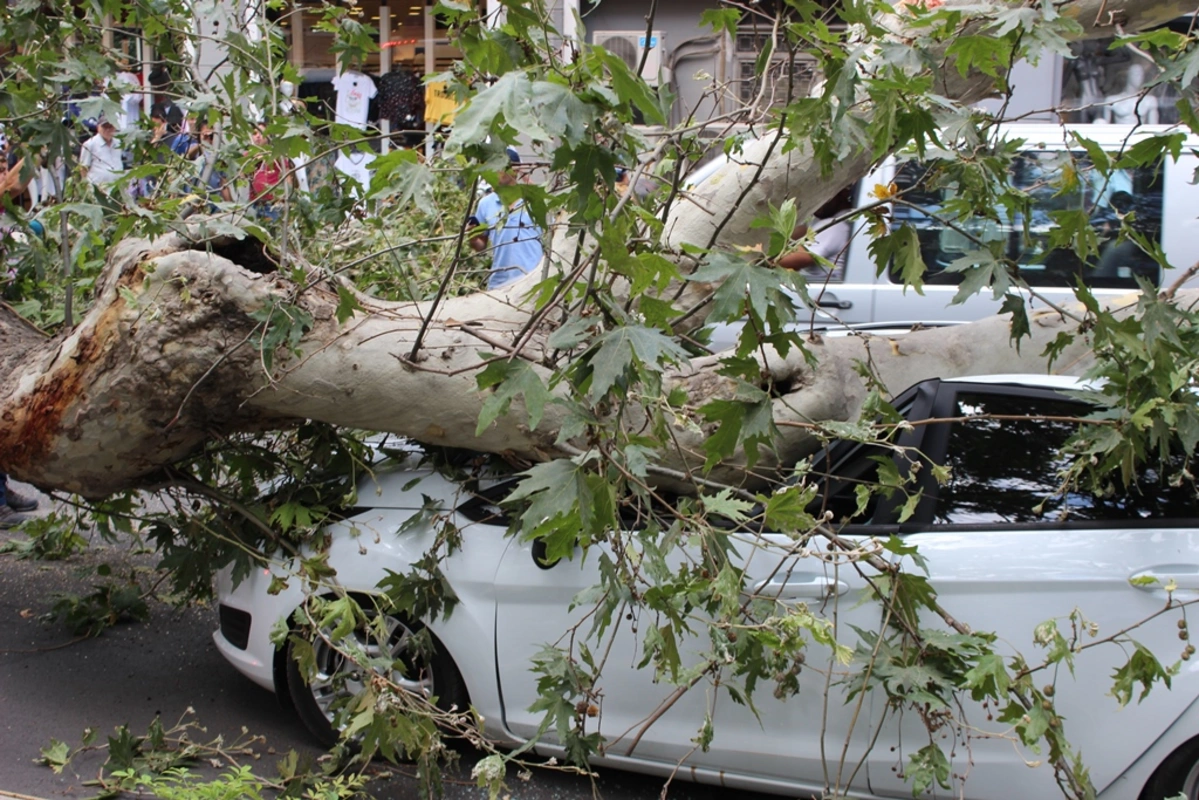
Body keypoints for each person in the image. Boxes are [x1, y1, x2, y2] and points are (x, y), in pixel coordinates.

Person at [468, 148, 544, 290]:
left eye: (498, 167)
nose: (493, 172)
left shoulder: (533, 200)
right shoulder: (485, 204)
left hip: (532, 279)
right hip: (499, 283)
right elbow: (481, 246)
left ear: (514, 169)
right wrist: (471, 238)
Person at [775, 185, 856, 280]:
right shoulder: (828, 220)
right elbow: (790, 235)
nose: (814, 200)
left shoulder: (834, 225)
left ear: (843, 193)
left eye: (822, 193)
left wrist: (759, 257)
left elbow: (793, 259)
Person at [247, 123, 294, 221]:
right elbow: (241, 175)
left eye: (261, 133)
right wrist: (254, 161)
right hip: (255, 204)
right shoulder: (248, 155)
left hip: (273, 204)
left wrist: (287, 197)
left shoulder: (276, 153)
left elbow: (287, 175)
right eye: (254, 133)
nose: (258, 136)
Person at [79, 117, 125, 189]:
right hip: (98, 189)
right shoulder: (90, 144)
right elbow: (83, 168)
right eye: (104, 127)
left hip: (116, 188)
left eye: (110, 126)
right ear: (98, 128)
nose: (107, 129)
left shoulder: (118, 143)